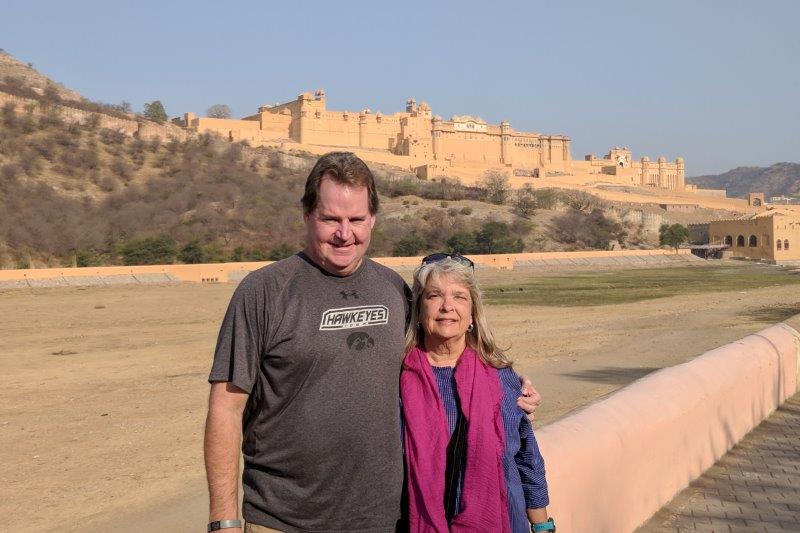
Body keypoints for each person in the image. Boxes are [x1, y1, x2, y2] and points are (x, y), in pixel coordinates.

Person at [204, 152, 541, 533]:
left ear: (373, 219)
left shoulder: (393, 290)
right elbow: (226, 409)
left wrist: (511, 385)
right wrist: (225, 521)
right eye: (331, 219)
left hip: (385, 519)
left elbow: (446, 345)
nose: (344, 233)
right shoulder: (264, 292)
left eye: (356, 220)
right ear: (307, 215)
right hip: (285, 519)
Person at [401, 253, 554, 533]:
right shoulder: (396, 382)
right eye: (434, 296)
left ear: (472, 313)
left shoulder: (502, 379)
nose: (447, 307)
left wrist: (543, 526)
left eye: (459, 297)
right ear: (419, 310)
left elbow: (527, 459)